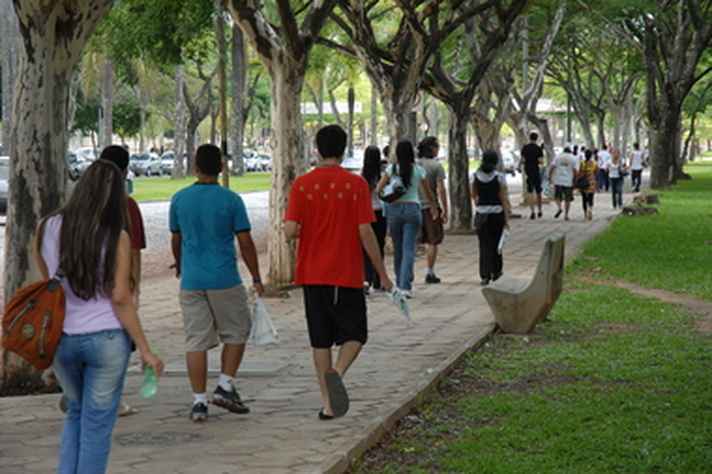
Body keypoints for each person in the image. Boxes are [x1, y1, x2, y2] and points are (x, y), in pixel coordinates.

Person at [35, 159, 163, 474]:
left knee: (76, 413)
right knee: (97, 425)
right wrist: (145, 348)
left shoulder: (46, 227)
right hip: (106, 339)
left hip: (62, 339)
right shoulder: (115, 236)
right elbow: (119, 297)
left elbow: (48, 285)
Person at [284, 124, 394, 420]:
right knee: (356, 334)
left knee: (320, 340)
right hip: (346, 273)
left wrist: (305, 227)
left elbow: (290, 230)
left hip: (312, 273)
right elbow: (365, 232)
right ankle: (339, 372)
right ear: (344, 149)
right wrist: (382, 272)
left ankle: (328, 404)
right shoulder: (356, 185)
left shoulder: (301, 185)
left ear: (317, 149)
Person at [169, 144, 264, 423]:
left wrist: (181, 264)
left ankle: (199, 401)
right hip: (224, 278)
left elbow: (176, 238)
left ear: (195, 167)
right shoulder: (231, 200)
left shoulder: (179, 199)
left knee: (195, 340)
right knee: (236, 332)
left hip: (192, 279)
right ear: (221, 168)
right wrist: (256, 276)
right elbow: (245, 242)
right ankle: (224, 384)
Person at [376, 140, 437, 298]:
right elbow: (428, 191)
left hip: (394, 211)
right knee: (409, 248)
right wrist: (433, 206)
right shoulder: (418, 170)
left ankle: (400, 283)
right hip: (412, 210)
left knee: (398, 249)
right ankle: (405, 285)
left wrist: (388, 196)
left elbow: (378, 189)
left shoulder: (392, 169)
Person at [471, 150, 510, 286]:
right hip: (497, 214)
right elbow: (503, 198)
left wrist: (481, 204)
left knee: (484, 245)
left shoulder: (475, 176)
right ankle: (497, 272)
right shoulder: (499, 177)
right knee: (496, 245)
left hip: (481, 215)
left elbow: (474, 196)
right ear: (495, 162)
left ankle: (485, 275)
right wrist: (506, 218)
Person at [416, 136, 448, 284]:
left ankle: (406, 274)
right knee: (432, 241)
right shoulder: (436, 166)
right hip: (430, 208)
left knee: (412, 241)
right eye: (437, 147)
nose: (438, 149)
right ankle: (430, 272)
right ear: (432, 148)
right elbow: (441, 189)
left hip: (412, 207)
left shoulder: (413, 165)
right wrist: (445, 209)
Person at [361, 146, 388, 292]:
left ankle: (367, 279)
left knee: (366, 247)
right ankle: (379, 279)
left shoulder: (362, 175)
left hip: (367, 213)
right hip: (380, 212)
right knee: (379, 245)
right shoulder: (383, 172)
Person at [548, 146, 578, 221]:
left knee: (557, 197)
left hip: (558, 180)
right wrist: (575, 180)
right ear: (570, 151)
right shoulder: (573, 158)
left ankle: (559, 208)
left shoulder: (557, 157)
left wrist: (549, 176)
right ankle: (566, 215)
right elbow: (575, 170)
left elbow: (552, 167)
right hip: (568, 181)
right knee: (567, 199)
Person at [520, 132, 544, 219]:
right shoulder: (538, 149)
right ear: (536, 138)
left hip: (528, 171)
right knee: (538, 191)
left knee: (530, 191)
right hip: (536, 171)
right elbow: (541, 161)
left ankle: (532, 211)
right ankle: (540, 210)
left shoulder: (525, 148)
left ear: (529, 138)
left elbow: (522, 160)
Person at [577, 149, 598, 221]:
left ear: (585, 155)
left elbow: (580, 172)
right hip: (591, 182)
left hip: (584, 182)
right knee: (591, 197)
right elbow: (596, 171)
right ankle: (590, 209)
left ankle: (585, 214)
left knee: (584, 198)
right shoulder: (594, 163)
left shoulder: (582, 163)